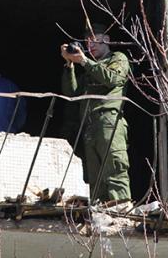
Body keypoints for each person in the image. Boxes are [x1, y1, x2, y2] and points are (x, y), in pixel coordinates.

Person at [60, 23, 132, 205]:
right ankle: (100, 209)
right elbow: (71, 93)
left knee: (114, 167)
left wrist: (84, 61)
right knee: (95, 175)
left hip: (109, 121)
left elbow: (112, 79)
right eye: (86, 42)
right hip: (89, 125)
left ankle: (121, 207)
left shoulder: (117, 58)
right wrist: (69, 64)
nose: (89, 45)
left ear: (106, 40)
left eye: (94, 40)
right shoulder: (90, 68)